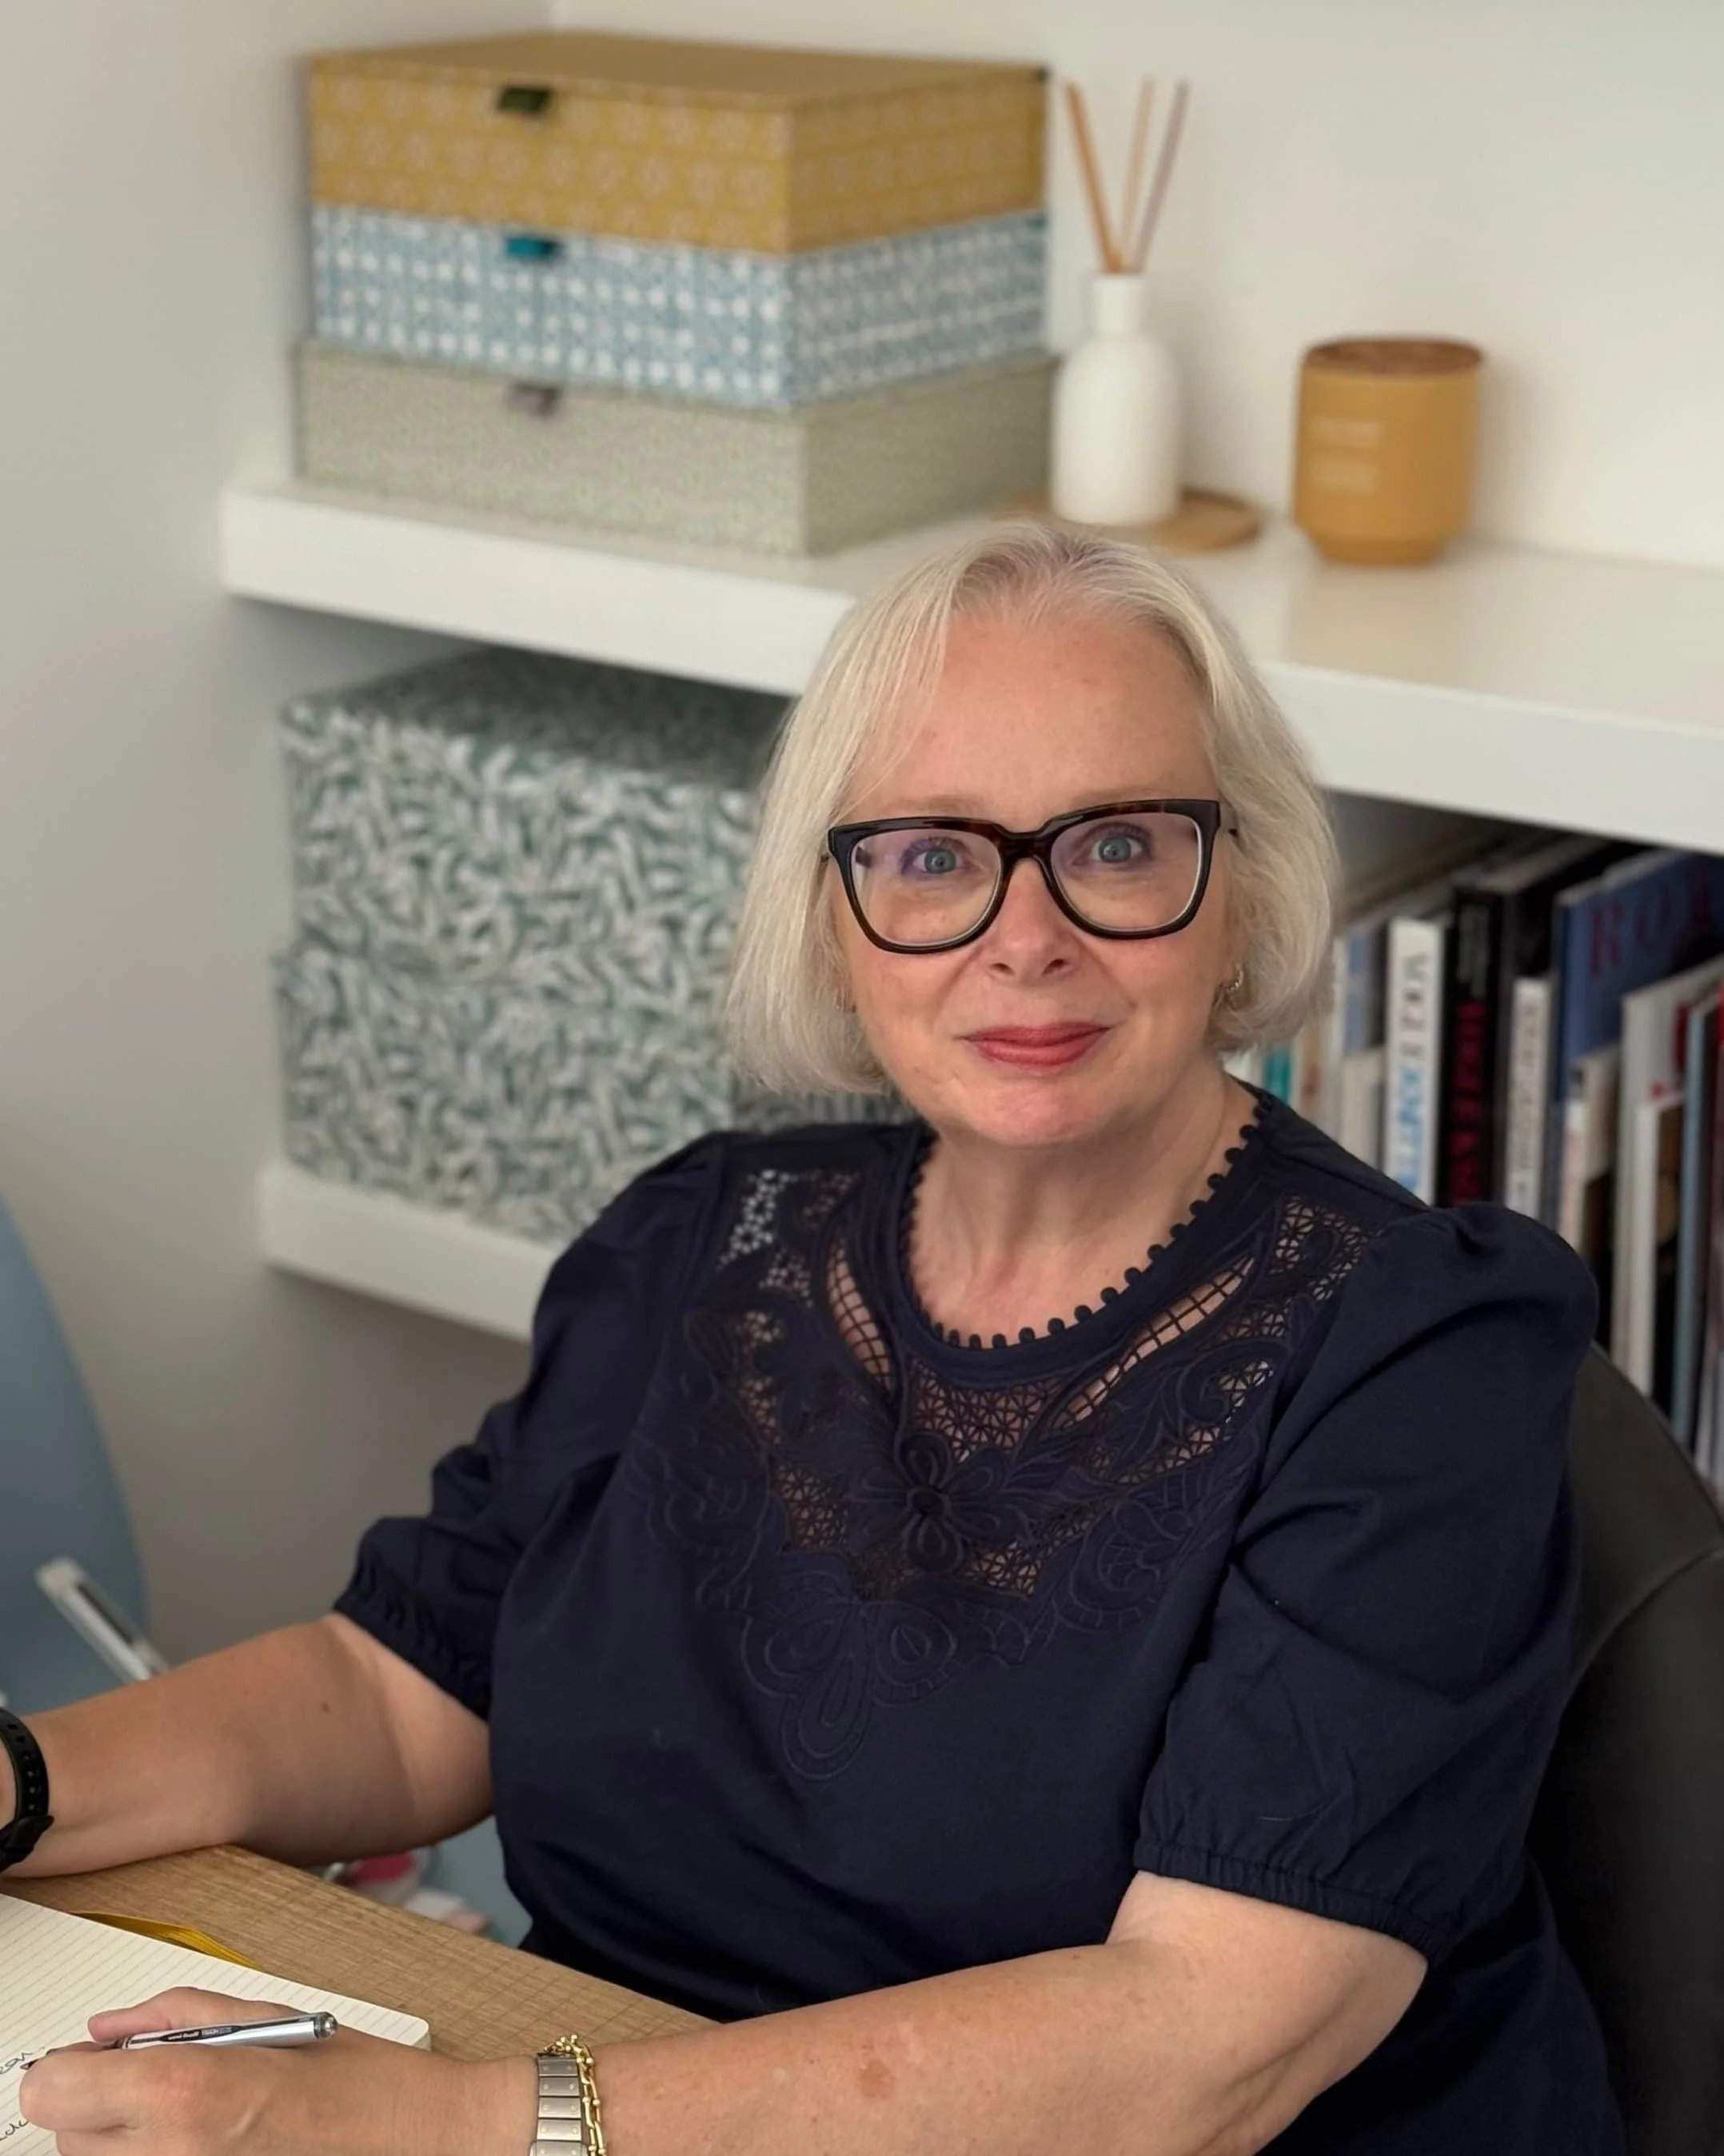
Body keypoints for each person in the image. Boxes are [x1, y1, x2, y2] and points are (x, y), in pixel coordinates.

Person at [10, 524, 1623, 2155]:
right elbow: (404, 1683)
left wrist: (463, 2126)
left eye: (1118, 843)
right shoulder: (705, 1239)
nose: (1024, 933)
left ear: (1244, 883)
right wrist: (19, 1780)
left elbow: (1196, 2049)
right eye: (929, 855)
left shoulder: (1418, 1345)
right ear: (833, 921)